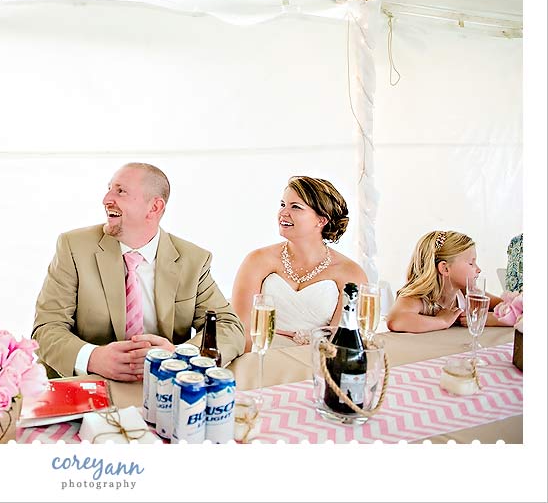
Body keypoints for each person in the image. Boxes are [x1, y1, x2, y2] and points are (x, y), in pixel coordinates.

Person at [31, 163, 246, 381]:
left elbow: (230, 327)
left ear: (154, 207)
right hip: (86, 386)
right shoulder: (74, 247)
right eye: (109, 189)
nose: (106, 199)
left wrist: (179, 357)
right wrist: (94, 357)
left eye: (120, 191)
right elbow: (47, 327)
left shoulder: (193, 260)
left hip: (162, 389)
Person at [232, 176, 367, 350]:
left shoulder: (350, 273)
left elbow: (342, 344)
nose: (283, 213)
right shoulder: (257, 260)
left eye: (295, 207)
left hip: (318, 360)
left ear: (321, 220)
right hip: (260, 355)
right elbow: (240, 330)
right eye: (282, 205)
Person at [386, 231, 503, 333]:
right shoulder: (420, 297)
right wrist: (442, 321)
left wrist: (490, 319)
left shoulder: (467, 293)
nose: (478, 269)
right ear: (445, 268)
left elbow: (514, 310)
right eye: (471, 263)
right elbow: (395, 320)